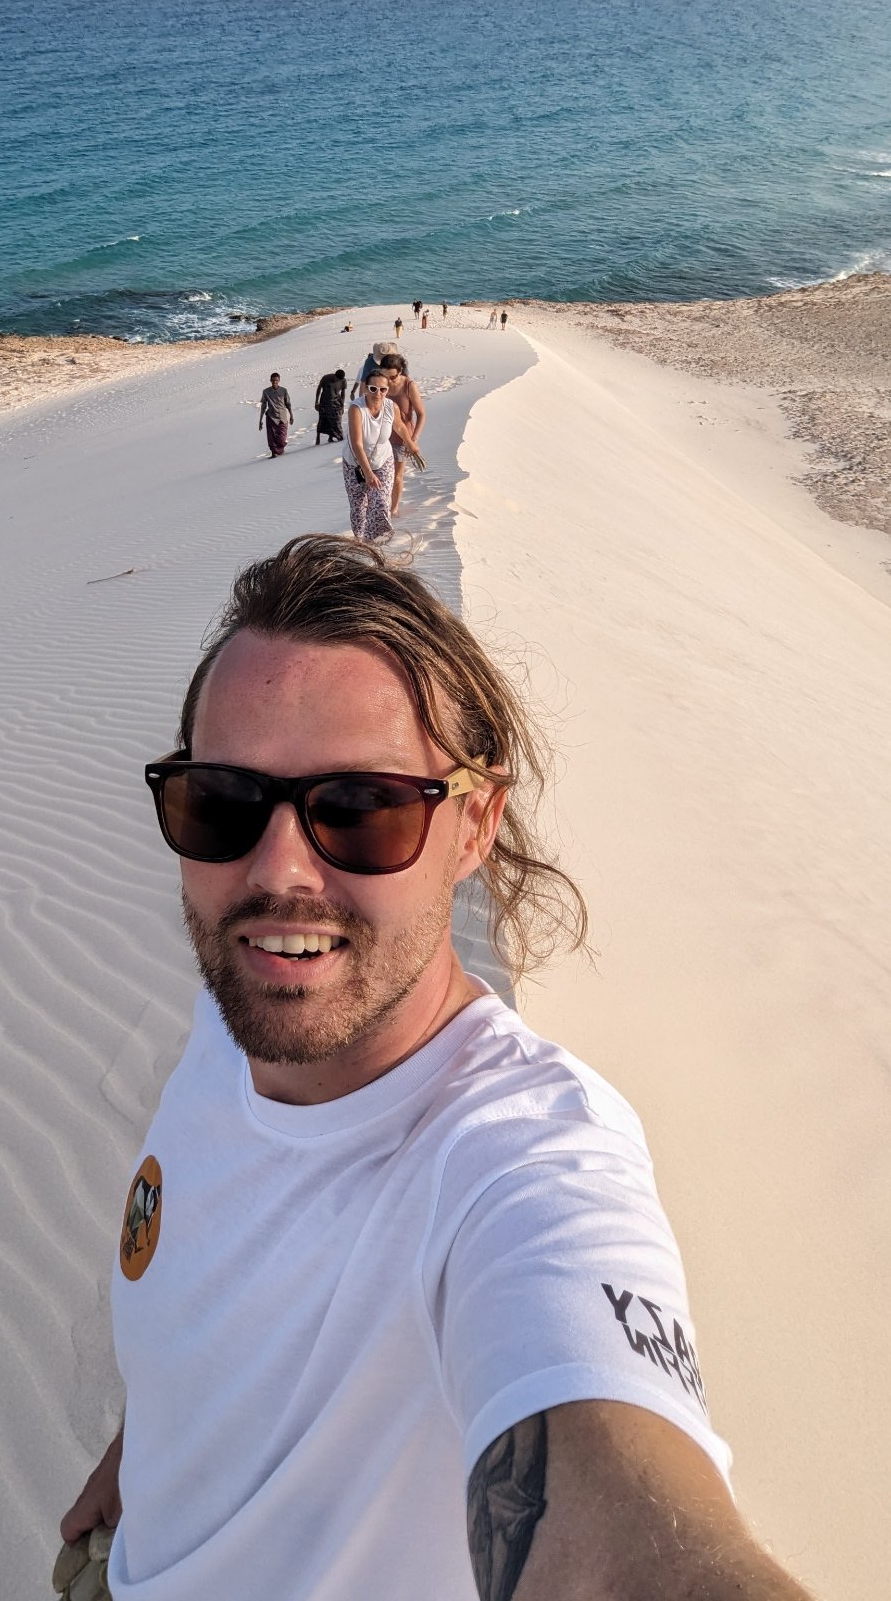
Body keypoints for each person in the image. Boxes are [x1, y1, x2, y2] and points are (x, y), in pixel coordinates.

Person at [61, 535, 814, 1601]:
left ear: (474, 824)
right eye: (221, 800)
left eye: (362, 809)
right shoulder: (240, 1016)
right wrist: (149, 1451)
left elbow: (617, 1528)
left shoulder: (521, 1163)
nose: (277, 871)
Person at [342, 372, 420, 542]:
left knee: (381, 502)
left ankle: (378, 542)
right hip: (355, 464)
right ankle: (360, 540)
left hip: (383, 460)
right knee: (359, 507)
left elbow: (399, 426)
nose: (378, 393)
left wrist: (410, 442)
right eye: (373, 388)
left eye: (383, 389)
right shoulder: (357, 409)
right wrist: (368, 473)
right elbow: (357, 444)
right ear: (365, 390)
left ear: (388, 390)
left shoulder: (391, 407)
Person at [378, 352, 426, 518]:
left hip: (401, 439)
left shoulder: (408, 385)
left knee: (397, 477)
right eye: (386, 376)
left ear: (400, 371)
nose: (390, 381)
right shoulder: (378, 383)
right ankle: (382, 506)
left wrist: (413, 439)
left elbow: (421, 414)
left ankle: (394, 508)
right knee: (381, 476)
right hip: (380, 438)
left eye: (393, 377)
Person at [258, 372, 293, 457]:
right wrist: (260, 420)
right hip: (271, 416)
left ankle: (280, 449)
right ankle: (274, 452)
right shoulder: (266, 392)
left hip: (282, 417)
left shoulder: (284, 390)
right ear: (270, 380)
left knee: (281, 439)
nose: (275, 382)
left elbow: (288, 403)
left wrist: (291, 415)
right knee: (271, 437)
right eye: (273, 380)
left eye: (276, 380)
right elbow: (263, 406)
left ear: (279, 380)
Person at [313, 369, 346, 445]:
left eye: (339, 379)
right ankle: (318, 437)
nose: (337, 380)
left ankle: (331, 437)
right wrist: (316, 402)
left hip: (336, 402)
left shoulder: (343, 380)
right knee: (322, 419)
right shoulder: (326, 378)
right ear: (335, 375)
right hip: (324, 401)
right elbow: (319, 389)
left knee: (337, 419)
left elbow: (343, 393)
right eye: (337, 379)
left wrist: (342, 405)